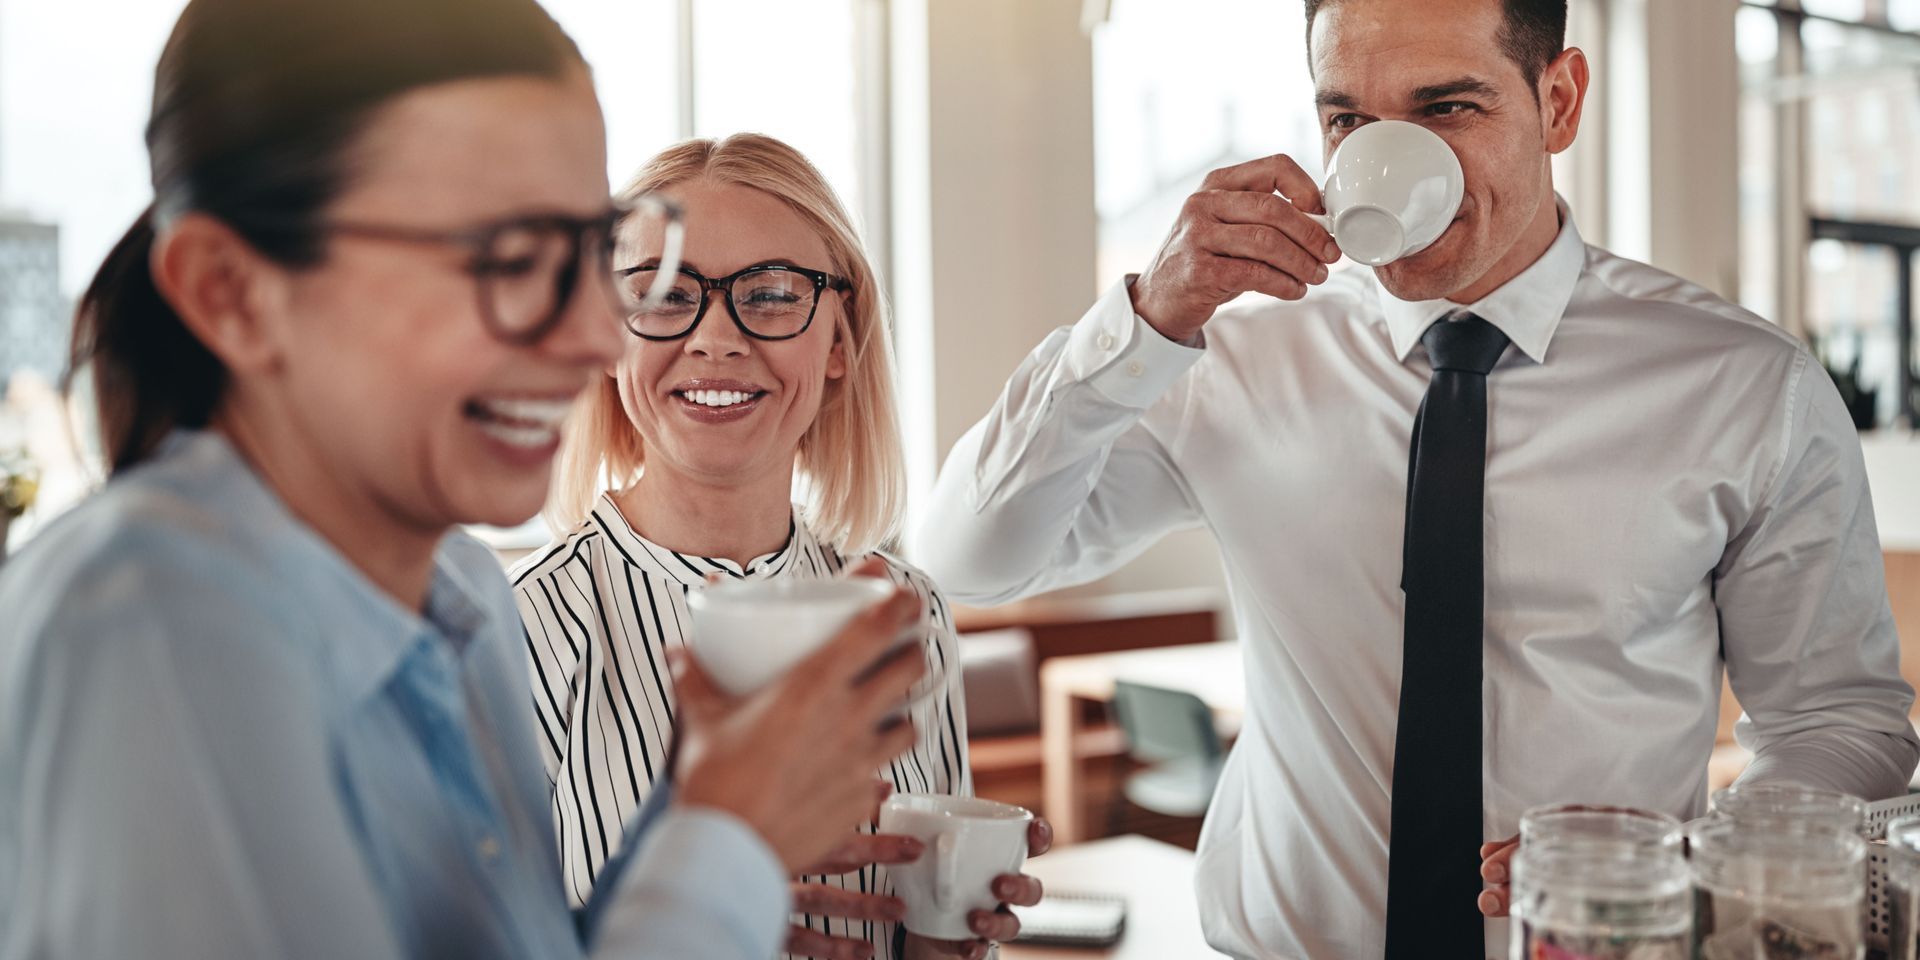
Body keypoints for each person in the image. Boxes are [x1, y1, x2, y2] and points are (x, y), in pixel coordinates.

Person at [913, 0, 1918, 957]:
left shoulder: (1744, 385)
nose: (1384, 160)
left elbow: (1841, 723)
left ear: (1559, 102)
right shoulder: (1228, 360)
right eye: (1348, 117)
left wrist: (1681, 867)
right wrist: (1142, 320)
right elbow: (971, 557)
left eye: (1447, 107)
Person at [0, 2, 929, 958]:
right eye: (509, 258)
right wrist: (723, 845)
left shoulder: (465, 597)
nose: (597, 338)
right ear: (233, 293)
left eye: (584, 253)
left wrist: (693, 818)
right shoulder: (146, 627)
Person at [515, 133, 1048, 960]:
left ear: (839, 343)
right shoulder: (523, 631)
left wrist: (946, 941)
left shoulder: (907, 614)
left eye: (768, 294)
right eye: (662, 294)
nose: (716, 339)